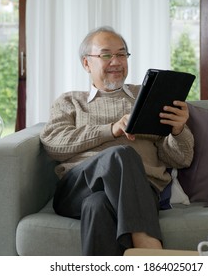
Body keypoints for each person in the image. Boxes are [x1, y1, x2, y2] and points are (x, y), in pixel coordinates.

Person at [40, 26, 194, 256]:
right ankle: (150, 250)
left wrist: (178, 130)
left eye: (121, 54)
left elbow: (182, 159)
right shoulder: (71, 101)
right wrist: (110, 130)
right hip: (77, 189)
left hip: (141, 190)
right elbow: (53, 143)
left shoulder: (148, 97)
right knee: (120, 154)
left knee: (98, 205)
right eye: (106, 55)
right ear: (86, 63)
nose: (116, 61)